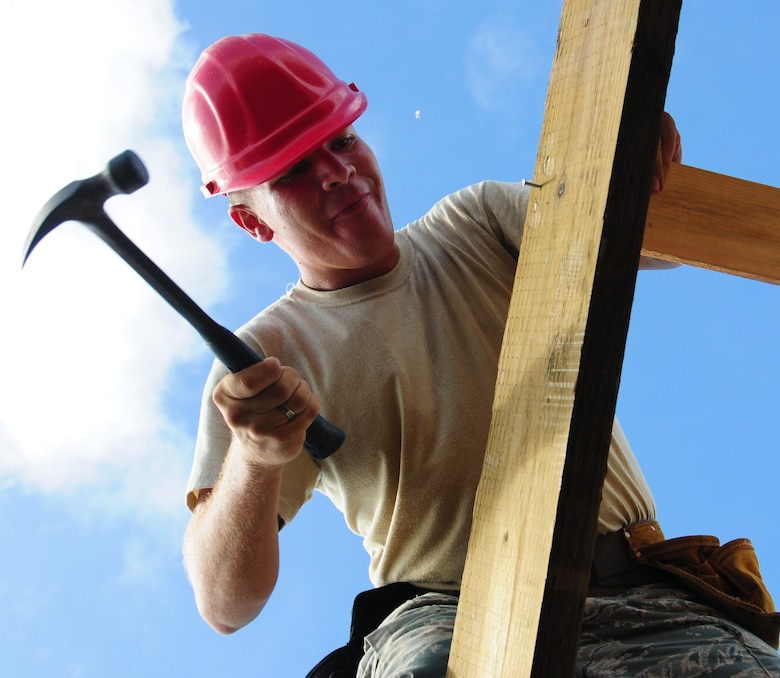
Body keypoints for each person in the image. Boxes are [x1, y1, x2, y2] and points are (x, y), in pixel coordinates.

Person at [180, 34, 780, 676]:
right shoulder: (264, 362)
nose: (336, 170)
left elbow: (628, 236)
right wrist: (255, 456)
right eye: (294, 168)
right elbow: (226, 604)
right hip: (451, 622)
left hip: (647, 597)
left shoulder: (477, 223)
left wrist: (638, 177)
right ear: (253, 221)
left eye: (342, 140)